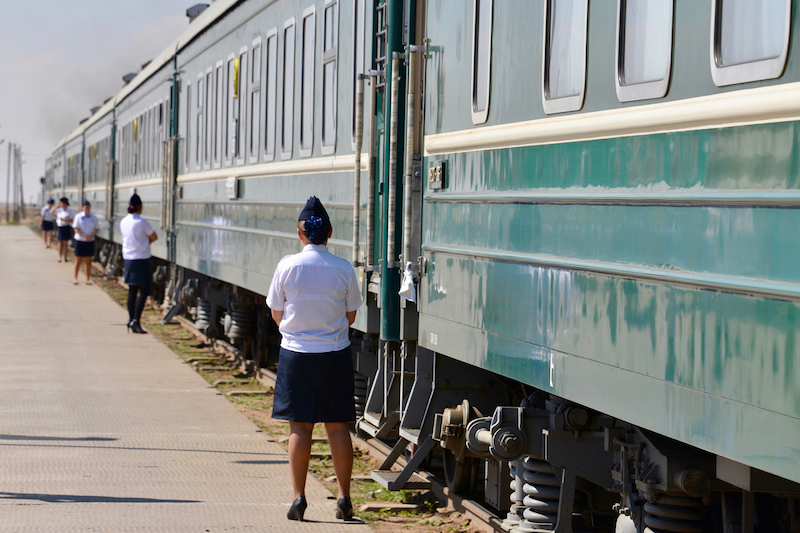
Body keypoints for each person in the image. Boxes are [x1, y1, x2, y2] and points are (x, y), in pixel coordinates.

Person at [266, 196, 363, 522]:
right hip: (334, 355)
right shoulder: (343, 268)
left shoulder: (286, 266)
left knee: (300, 428)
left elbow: (276, 311)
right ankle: (344, 497)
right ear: (329, 233)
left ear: (300, 233)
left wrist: (296, 331)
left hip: (296, 356)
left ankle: (298, 497)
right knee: (338, 428)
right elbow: (351, 315)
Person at [119, 194, 157, 334]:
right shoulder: (141, 222)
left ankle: (131, 319)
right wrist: (145, 242)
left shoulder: (123, 221)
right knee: (144, 290)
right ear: (139, 207)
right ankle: (136, 320)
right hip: (141, 258)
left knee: (132, 290)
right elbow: (154, 236)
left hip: (128, 258)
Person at [72, 200, 99, 285]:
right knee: (78, 260)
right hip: (80, 240)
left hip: (90, 241)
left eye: (88, 207)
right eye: (85, 207)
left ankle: (87, 278)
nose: (87, 208)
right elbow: (76, 228)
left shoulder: (93, 217)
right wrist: (84, 236)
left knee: (88, 260)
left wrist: (92, 235)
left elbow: (97, 229)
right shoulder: (78, 216)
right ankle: (75, 278)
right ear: (82, 208)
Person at [53, 197, 74, 263]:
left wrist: (65, 220)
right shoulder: (59, 210)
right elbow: (51, 212)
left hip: (66, 227)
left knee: (65, 244)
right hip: (60, 227)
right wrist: (56, 206)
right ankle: (59, 257)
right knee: (60, 243)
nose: (61, 204)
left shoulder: (69, 211)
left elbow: (71, 220)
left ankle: (65, 257)